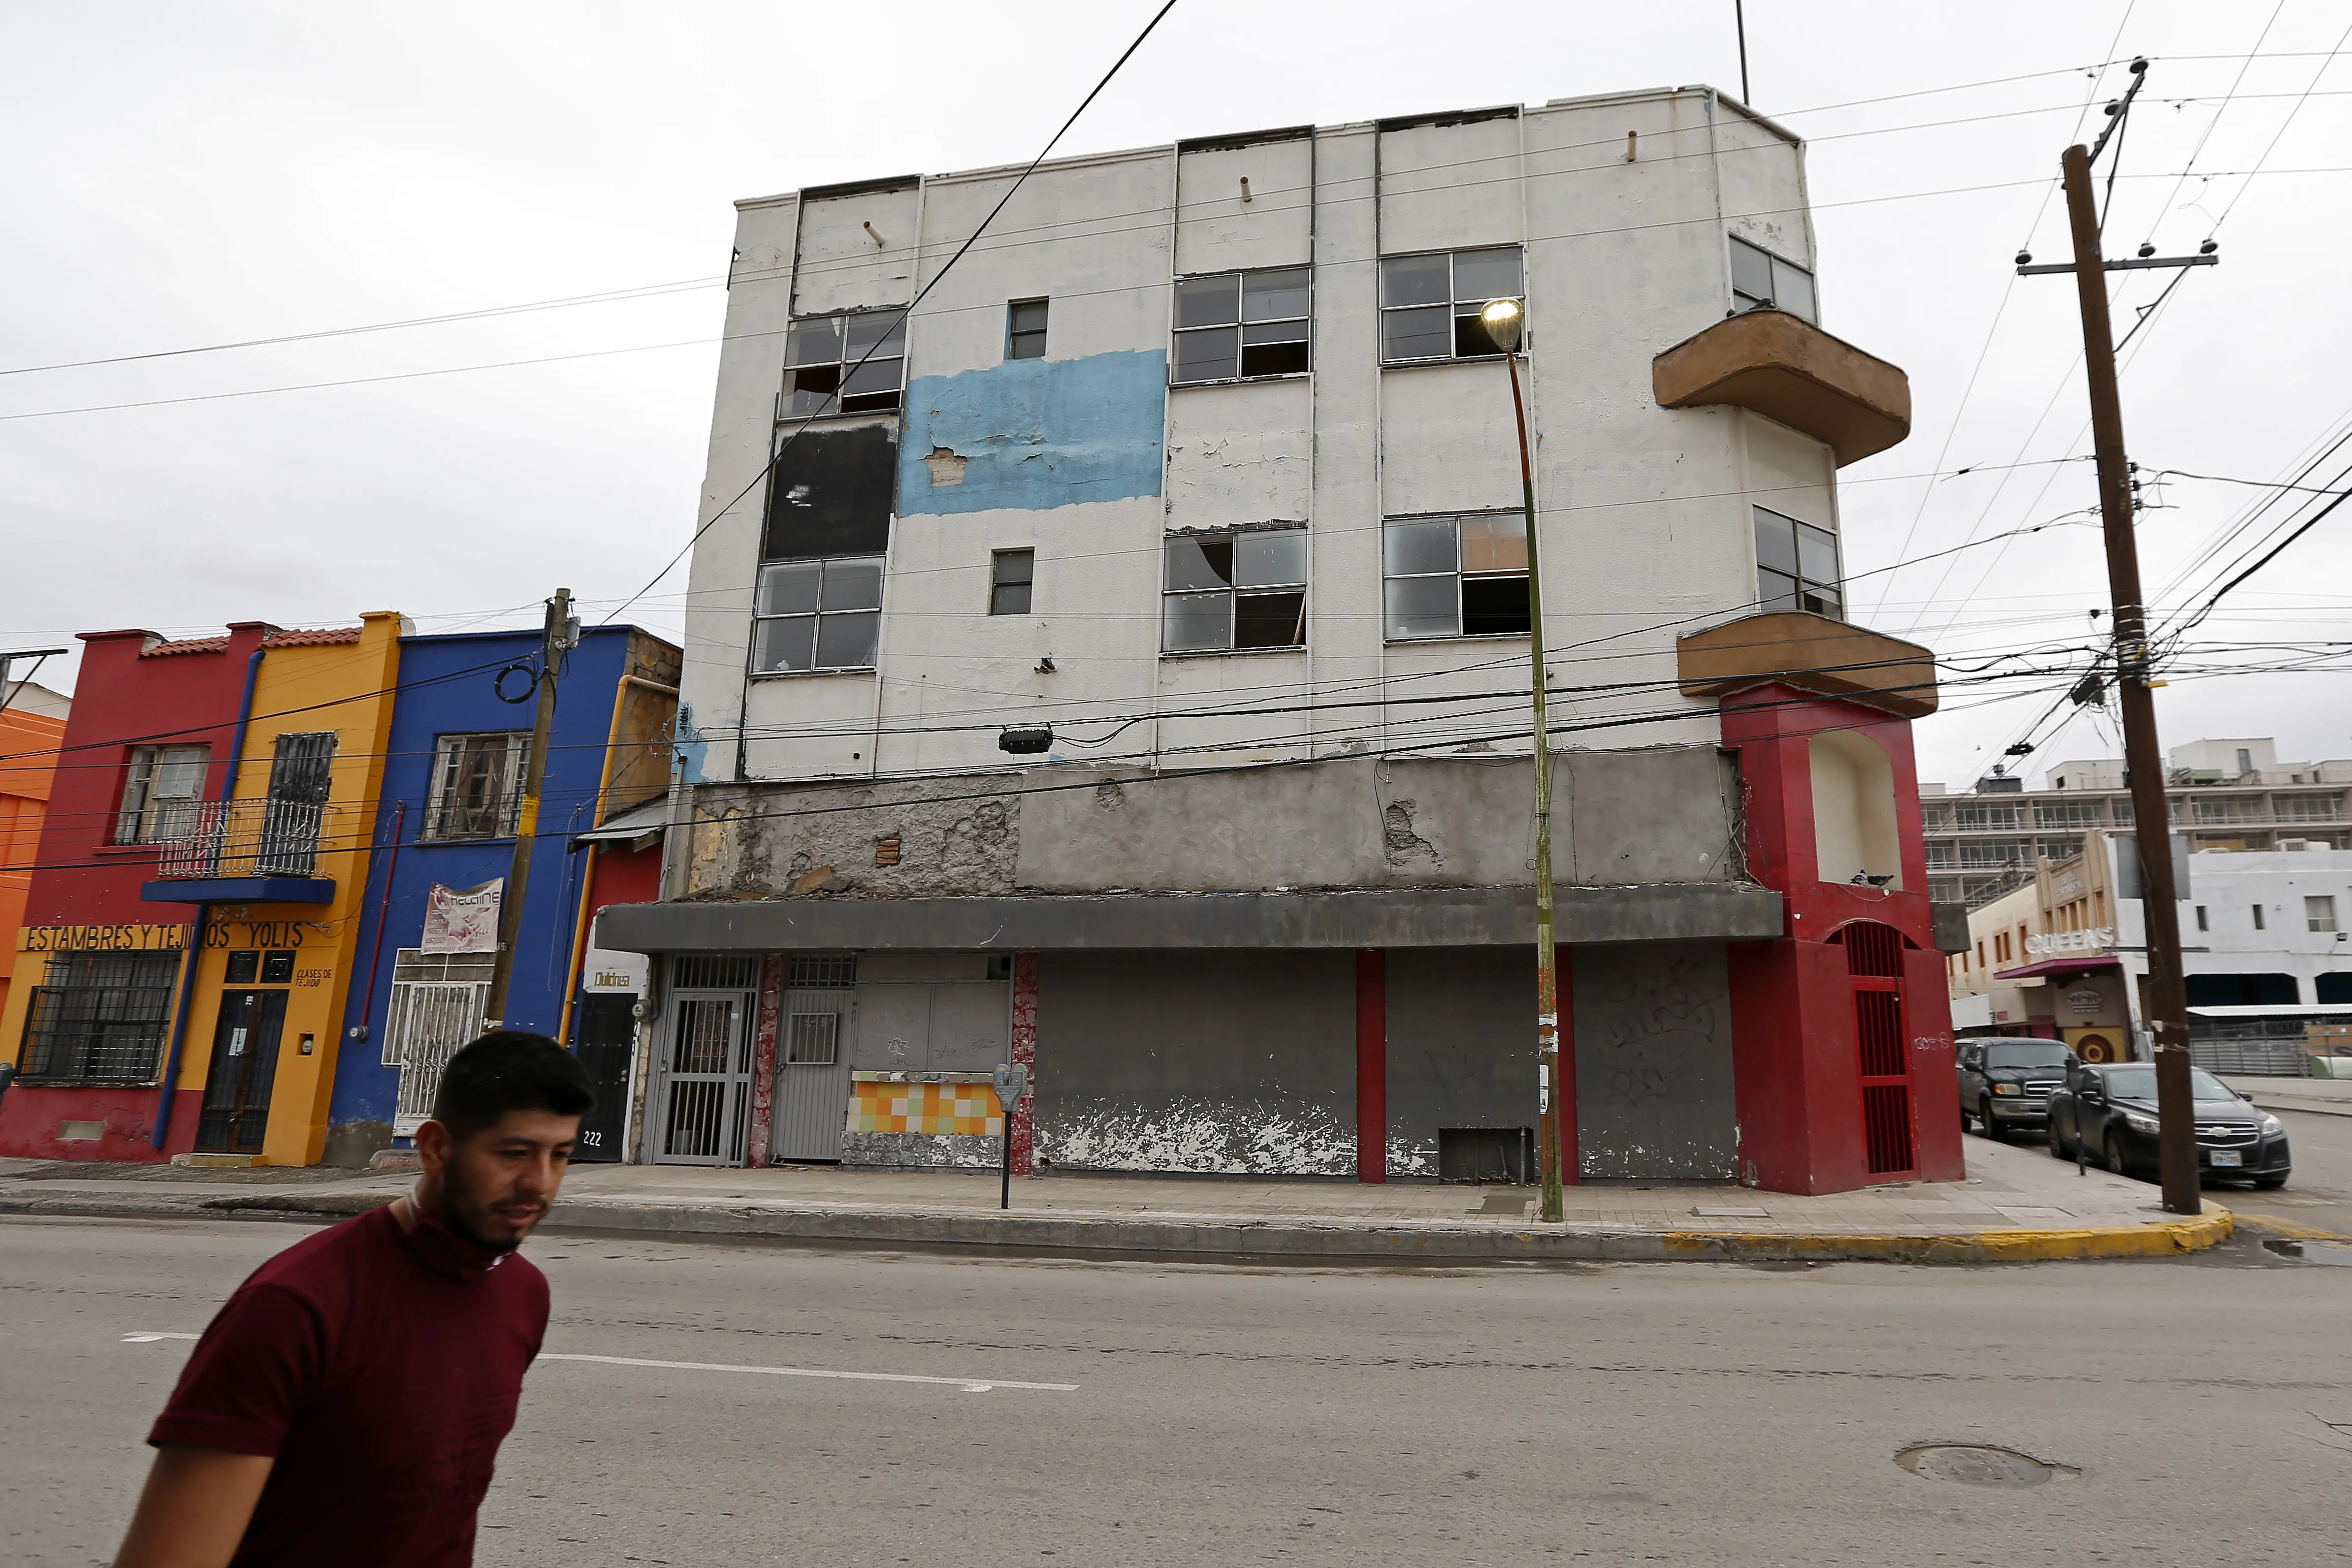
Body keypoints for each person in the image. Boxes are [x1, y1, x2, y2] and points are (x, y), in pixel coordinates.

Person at [112, 1030, 593, 1568]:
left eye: (560, 1155)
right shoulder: (294, 1307)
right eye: (515, 1153)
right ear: (435, 1146)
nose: (540, 1182)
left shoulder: (522, 1291)